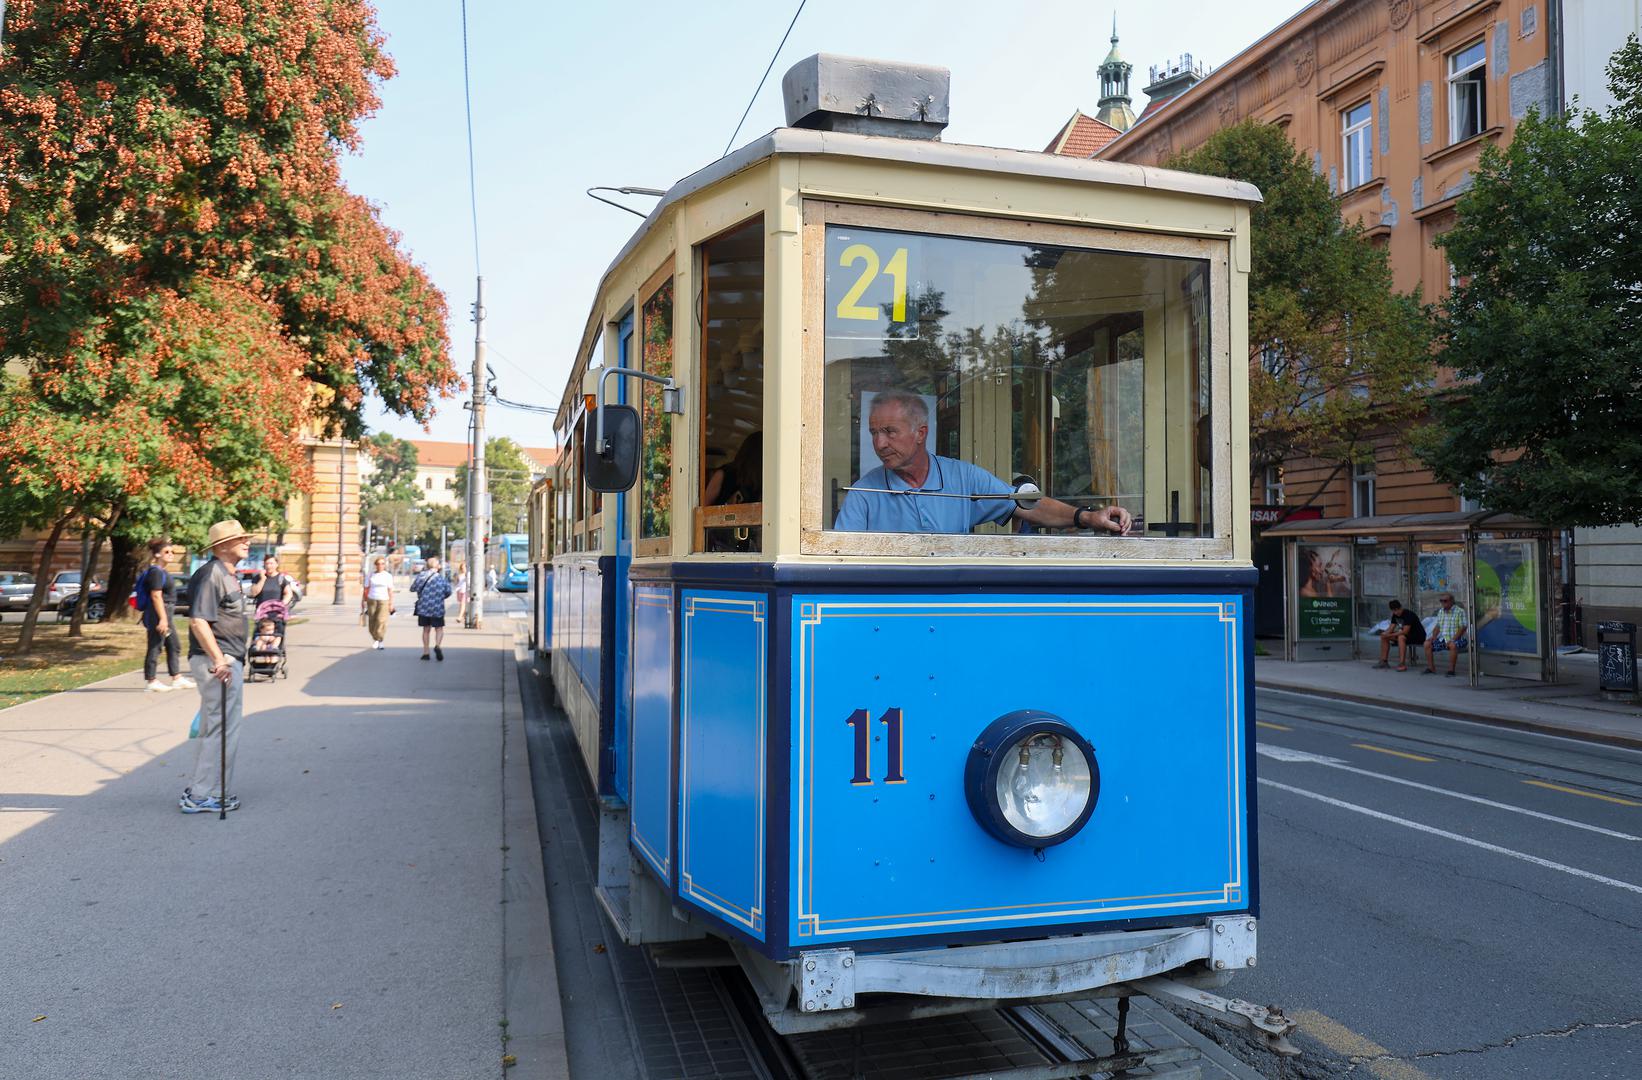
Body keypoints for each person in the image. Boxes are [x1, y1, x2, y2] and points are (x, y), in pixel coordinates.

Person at [833, 391, 1131, 535]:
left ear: (920, 433)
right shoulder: (863, 494)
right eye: (874, 433)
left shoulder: (963, 477)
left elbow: (1027, 505)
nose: (879, 444)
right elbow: (843, 563)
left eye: (889, 432)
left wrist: (1089, 517)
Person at [181, 520, 252, 814]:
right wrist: (219, 659)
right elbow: (198, 621)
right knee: (221, 730)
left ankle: (202, 789)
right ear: (222, 546)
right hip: (219, 663)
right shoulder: (213, 574)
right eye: (240, 539)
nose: (247, 542)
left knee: (214, 727)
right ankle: (202, 795)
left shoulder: (227, 574)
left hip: (223, 660)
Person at [140, 537, 195, 693]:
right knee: (155, 646)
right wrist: (163, 619)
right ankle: (151, 681)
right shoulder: (156, 572)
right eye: (167, 552)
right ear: (157, 554)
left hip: (166, 613)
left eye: (172, 552)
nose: (171, 554)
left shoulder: (162, 571)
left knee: (174, 645)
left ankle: (176, 678)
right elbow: (156, 596)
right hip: (158, 613)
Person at [410, 555, 454, 661]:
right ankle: (437, 645)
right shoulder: (441, 578)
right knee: (439, 628)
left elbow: (412, 588)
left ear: (427, 565)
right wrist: (440, 597)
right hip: (438, 608)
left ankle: (426, 652)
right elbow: (448, 591)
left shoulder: (421, 576)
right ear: (437, 566)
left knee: (426, 629)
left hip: (424, 607)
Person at [1372, 599, 1426, 671]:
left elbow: (1405, 631)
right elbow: (1391, 629)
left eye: (1397, 610)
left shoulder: (1409, 614)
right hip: (1407, 636)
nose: (1396, 612)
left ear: (1401, 607)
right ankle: (1384, 661)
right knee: (1384, 637)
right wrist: (1385, 634)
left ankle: (1402, 664)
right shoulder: (1395, 615)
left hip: (1418, 636)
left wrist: (1390, 635)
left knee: (1401, 637)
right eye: (1394, 610)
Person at [1424, 592, 1470, 677]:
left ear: (1451, 601)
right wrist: (1433, 637)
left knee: (1452, 645)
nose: (1443, 603)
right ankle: (1431, 668)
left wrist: (1453, 639)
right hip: (1444, 639)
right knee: (1427, 643)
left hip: (1458, 639)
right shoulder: (1441, 611)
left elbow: (1463, 627)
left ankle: (1451, 670)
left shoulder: (1460, 611)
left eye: (1445, 601)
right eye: (1441, 601)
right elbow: (1438, 626)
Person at [362, 556, 394, 650]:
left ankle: (380, 640)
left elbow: (390, 590)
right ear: (375, 565)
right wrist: (363, 601)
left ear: (385, 565)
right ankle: (375, 638)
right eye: (378, 564)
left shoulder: (387, 576)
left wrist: (391, 603)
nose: (380, 565)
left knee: (381, 620)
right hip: (372, 599)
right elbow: (366, 588)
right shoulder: (371, 575)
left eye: (382, 564)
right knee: (372, 621)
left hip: (384, 600)